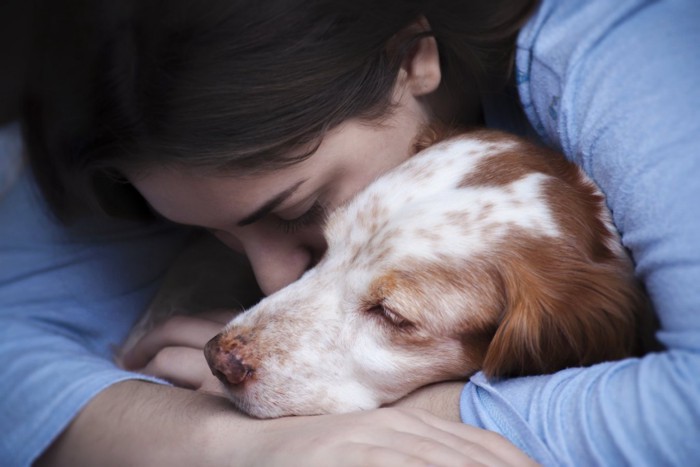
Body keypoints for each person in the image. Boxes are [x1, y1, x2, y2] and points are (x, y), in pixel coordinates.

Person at [1, 0, 698, 465]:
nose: (271, 282)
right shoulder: (127, 91)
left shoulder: (633, 57)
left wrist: (427, 422)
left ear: (411, 59)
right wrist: (223, 444)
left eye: (302, 205)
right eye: (207, 230)